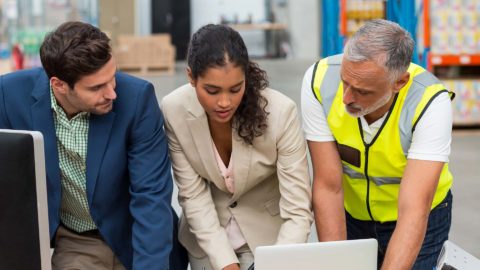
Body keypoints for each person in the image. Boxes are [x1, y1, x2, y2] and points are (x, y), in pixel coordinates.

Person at [0, 21, 183, 270]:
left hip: (136, 233)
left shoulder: (137, 99)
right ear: (59, 85)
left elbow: (150, 195)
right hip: (77, 240)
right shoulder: (10, 95)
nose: (112, 93)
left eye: (112, 77)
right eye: (97, 87)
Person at [301, 19, 454, 270]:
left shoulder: (430, 102)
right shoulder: (319, 81)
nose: (346, 98)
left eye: (363, 92)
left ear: (399, 83)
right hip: (352, 216)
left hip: (417, 216)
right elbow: (328, 187)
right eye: (345, 82)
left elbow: (414, 209)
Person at [161, 24, 313, 270]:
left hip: (270, 244)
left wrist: (277, 263)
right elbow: (193, 197)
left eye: (235, 89)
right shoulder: (173, 109)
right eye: (212, 90)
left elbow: (298, 211)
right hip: (207, 245)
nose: (224, 102)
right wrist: (227, 264)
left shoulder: (281, 113)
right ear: (191, 77)